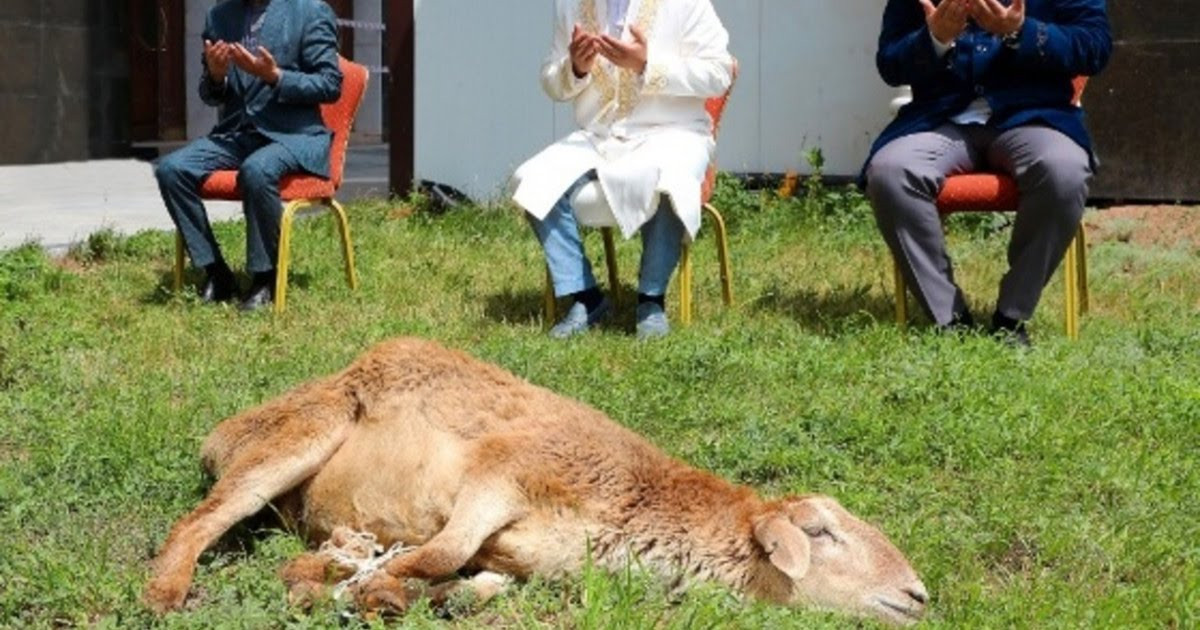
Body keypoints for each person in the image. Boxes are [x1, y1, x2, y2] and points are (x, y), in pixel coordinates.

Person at [864, 0, 1111, 345]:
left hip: (1031, 115)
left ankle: (1011, 317)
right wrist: (934, 37)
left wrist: (1020, 32)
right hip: (940, 119)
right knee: (891, 172)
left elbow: (1095, 47)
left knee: (1064, 171)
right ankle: (948, 320)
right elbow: (890, 62)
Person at [511, 0, 733, 339]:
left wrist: (647, 64)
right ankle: (586, 297)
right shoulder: (572, 5)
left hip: (672, 131)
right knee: (532, 181)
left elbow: (719, 73)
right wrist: (575, 67)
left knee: (669, 178)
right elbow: (550, 80)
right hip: (599, 136)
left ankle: (651, 301)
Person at [155, 0, 342, 311]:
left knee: (257, 170)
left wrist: (276, 76)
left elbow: (330, 84)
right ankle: (216, 272)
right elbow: (212, 93)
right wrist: (216, 77)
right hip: (238, 134)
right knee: (172, 170)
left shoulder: (309, 11)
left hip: (294, 135)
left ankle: (264, 278)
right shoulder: (220, 15)